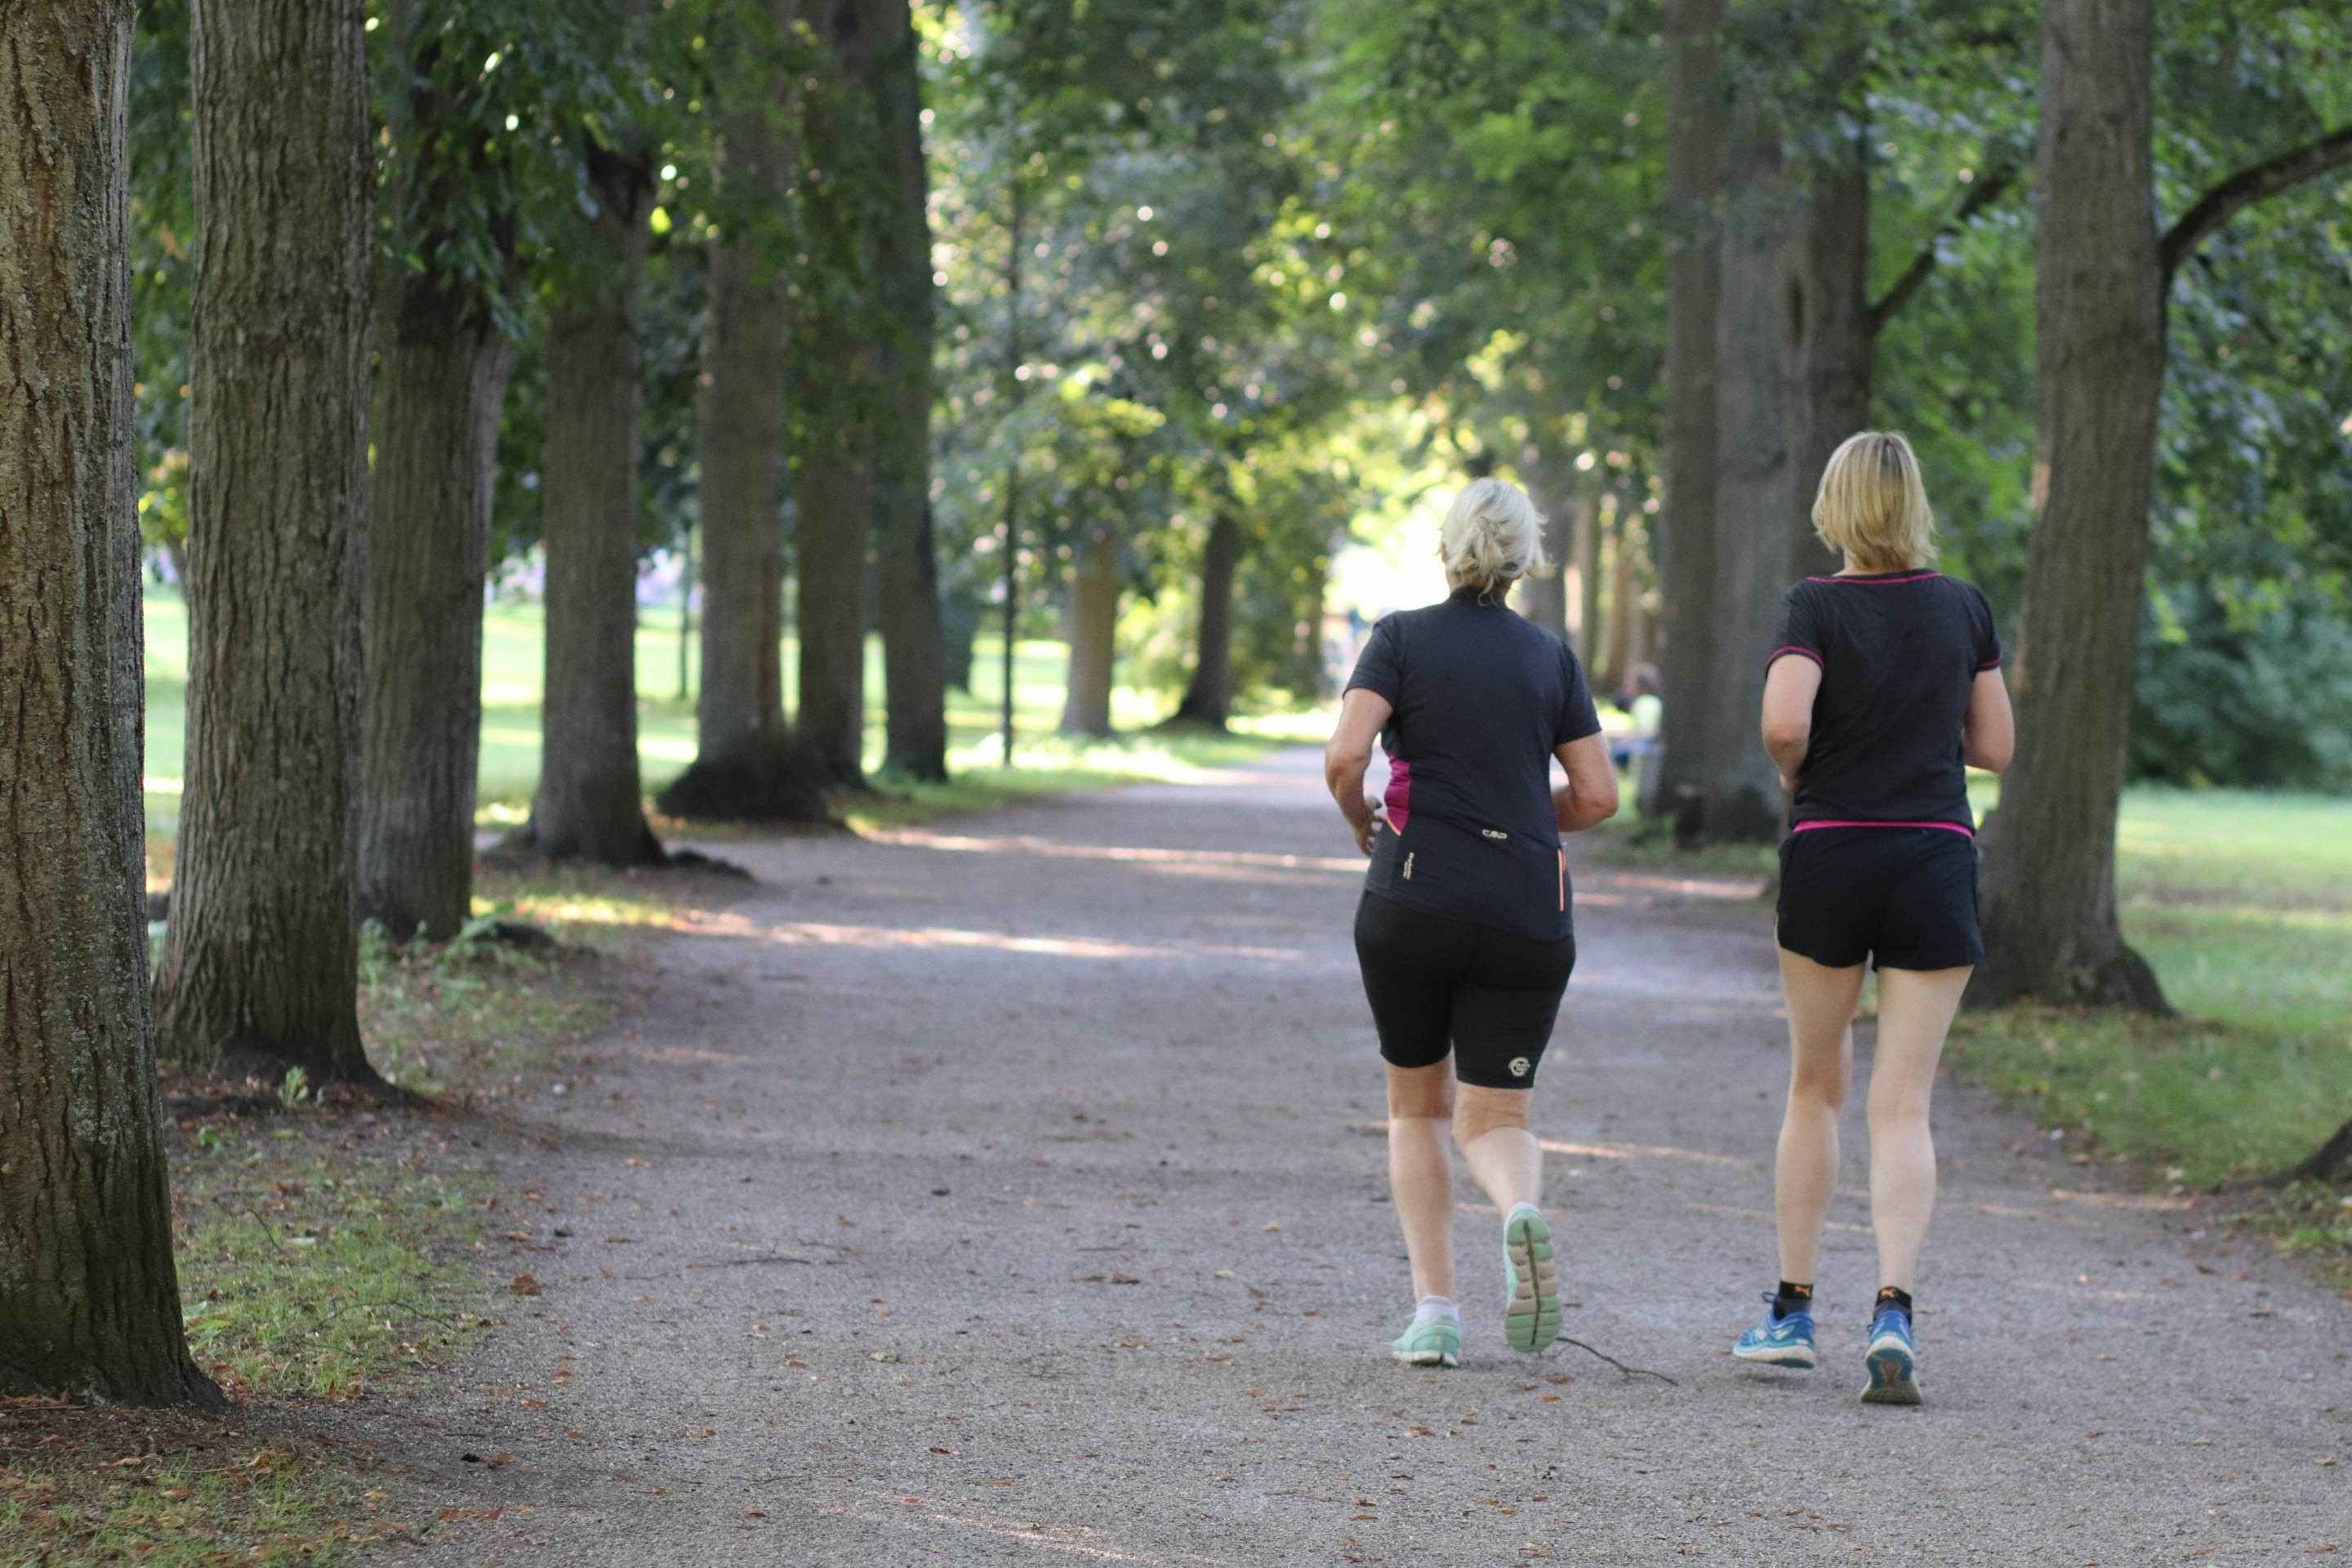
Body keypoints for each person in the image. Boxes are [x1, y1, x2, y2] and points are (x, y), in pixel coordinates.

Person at [1731, 430, 2014, 1405]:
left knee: (1817, 1086)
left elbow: (1781, 721)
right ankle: (1893, 1311)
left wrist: (1796, 773)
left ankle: (1793, 1310)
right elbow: (1998, 745)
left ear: (1834, 506)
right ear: (1915, 505)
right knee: (1905, 1101)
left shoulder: (1813, 605)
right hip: (1934, 853)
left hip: (1834, 851)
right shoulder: (1963, 608)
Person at [1324, 478, 1619, 1368]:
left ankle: (1436, 1314)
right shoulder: (1550, 658)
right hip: (1527, 903)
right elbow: (1600, 794)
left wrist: (1360, 815)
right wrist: (1530, 824)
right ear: (1527, 558)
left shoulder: (1401, 639)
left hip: (1413, 892)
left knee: (1416, 1108)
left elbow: (1346, 753)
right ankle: (1519, 1207)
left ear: (1448, 548)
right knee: (1495, 1116)